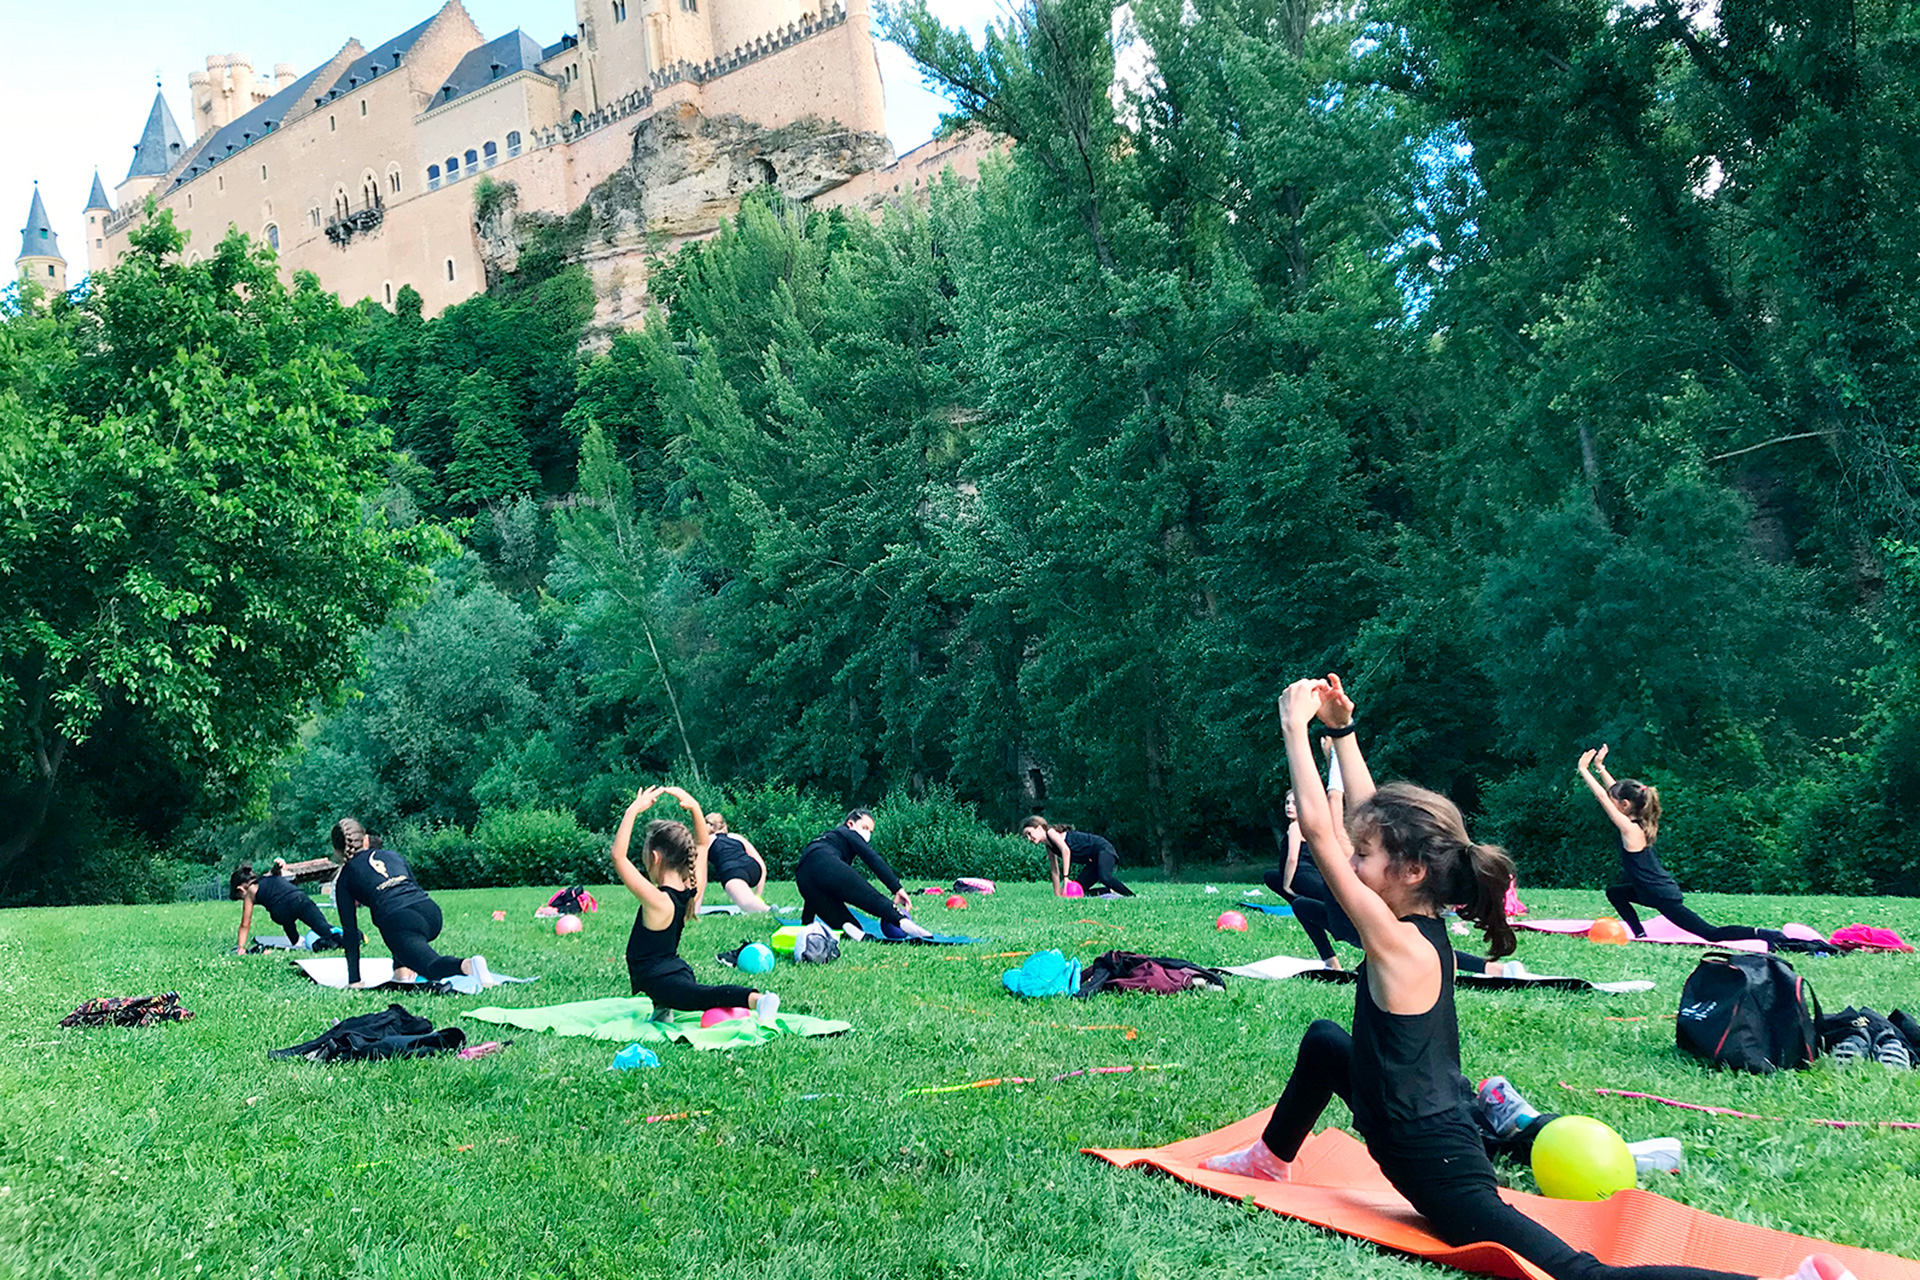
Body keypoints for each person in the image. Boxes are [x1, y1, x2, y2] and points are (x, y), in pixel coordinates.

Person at [1202, 676, 1846, 1280]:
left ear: (1412, 871)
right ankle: (1270, 1158)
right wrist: (1342, 732)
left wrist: (1294, 727)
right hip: (1405, 1108)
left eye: (1364, 855)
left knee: (1582, 1274)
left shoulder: (1398, 943)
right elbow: (1370, 818)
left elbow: (1321, 834)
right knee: (1324, 1041)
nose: (1354, 858)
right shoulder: (1411, 913)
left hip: (1436, 1169)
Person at [1578, 745, 1786, 950]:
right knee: (1615, 893)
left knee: (1711, 933)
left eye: (1616, 802)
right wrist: (1600, 768)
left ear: (1625, 805)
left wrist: (1584, 770)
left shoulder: (1631, 830)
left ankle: (1767, 935)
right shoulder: (1639, 820)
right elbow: (1616, 794)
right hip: (1647, 891)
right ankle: (1640, 934)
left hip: (1661, 895)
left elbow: (1604, 798)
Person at [614, 785, 778, 1021]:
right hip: (672, 971)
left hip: (661, 980)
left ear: (655, 858)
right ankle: (662, 1009)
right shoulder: (691, 889)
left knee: (702, 996)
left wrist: (632, 811)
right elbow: (702, 844)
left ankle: (758, 1000)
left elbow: (618, 857)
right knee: (689, 993)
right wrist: (695, 808)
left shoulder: (658, 900)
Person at [333, 818, 490, 990]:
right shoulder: (393, 855)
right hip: (430, 912)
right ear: (366, 840)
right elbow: (412, 888)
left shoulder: (344, 879)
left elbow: (350, 933)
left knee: (430, 966)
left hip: (401, 920)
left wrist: (354, 980)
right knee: (398, 930)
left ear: (336, 851)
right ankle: (401, 970)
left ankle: (468, 965)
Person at [796, 810, 932, 940]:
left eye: (870, 831)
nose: (867, 834)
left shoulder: (828, 839)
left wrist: (806, 923)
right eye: (865, 827)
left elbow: (812, 882)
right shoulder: (847, 832)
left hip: (803, 876)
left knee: (843, 919)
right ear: (850, 823)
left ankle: (852, 930)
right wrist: (896, 887)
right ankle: (905, 923)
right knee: (870, 898)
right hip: (825, 863)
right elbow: (872, 858)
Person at [231, 860, 340, 953]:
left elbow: (245, 924)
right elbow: (275, 871)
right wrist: (279, 865)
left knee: (283, 920)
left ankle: (297, 941)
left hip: (282, 909)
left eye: (241, 898)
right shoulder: (267, 877)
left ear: (240, 889)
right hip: (300, 898)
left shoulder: (250, 891)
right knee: (321, 926)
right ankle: (341, 938)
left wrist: (240, 947)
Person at [1023, 818, 1135, 897]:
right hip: (1093, 859)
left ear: (1039, 828)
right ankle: (1108, 891)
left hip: (1103, 850)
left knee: (1105, 877)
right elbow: (1055, 871)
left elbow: (1066, 850)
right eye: (1026, 836)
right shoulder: (1049, 846)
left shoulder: (1051, 832)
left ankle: (1131, 896)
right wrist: (1057, 894)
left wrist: (1066, 878)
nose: (1029, 838)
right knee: (1079, 891)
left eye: (1029, 833)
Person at [702, 812, 771, 913]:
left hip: (732, 870)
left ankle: (768, 910)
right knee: (750, 900)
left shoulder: (706, 842)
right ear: (724, 826)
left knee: (748, 904)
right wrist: (758, 896)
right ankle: (759, 904)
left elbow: (702, 877)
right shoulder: (736, 837)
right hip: (753, 868)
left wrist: (696, 908)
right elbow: (762, 866)